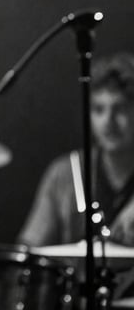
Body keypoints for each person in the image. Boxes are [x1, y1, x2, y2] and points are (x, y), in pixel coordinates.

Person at [18, 52, 134, 248]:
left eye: (120, 109)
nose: (108, 121)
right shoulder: (64, 173)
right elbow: (30, 247)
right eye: (98, 109)